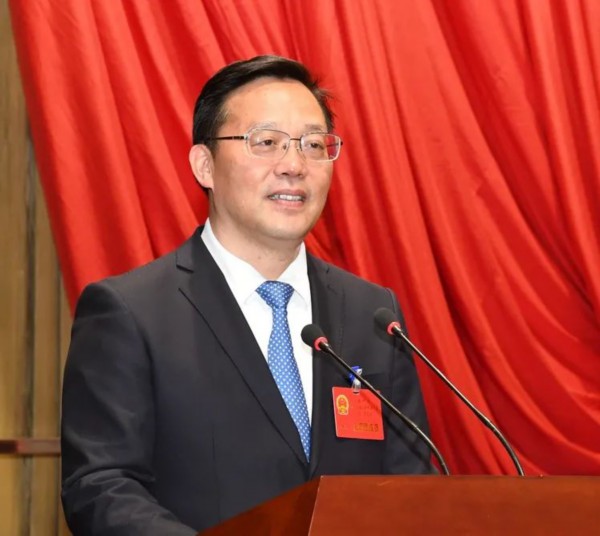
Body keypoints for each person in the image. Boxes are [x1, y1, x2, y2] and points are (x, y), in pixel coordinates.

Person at [61, 55, 433, 536]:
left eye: (313, 144)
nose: (294, 165)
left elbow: (410, 484)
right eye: (267, 142)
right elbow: (101, 486)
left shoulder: (372, 314)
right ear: (205, 165)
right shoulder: (131, 313)